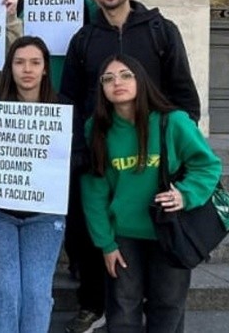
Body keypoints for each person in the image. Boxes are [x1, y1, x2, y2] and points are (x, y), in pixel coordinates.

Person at [60, 0, 201, 333]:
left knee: (167, 301)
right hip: (103, 158)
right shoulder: (85, 38)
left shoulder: (160, 30)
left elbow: (184, 93)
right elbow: (69, 99)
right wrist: (80, 151)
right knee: (109, 264)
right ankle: (93, 305)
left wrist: (179, 155)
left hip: (161, 168)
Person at [82, 54, 221, 332]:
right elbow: (94, 191)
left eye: (125, 75)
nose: (117, 82)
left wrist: (185, 194)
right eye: (108, 79)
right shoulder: (96, 130)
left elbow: (207, 166)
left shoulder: (174, 122)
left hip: (171, 232)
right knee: (122, 311)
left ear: (141, 80)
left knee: (168, 309)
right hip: (124, 236)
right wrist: (106, 244)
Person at [0, 36, 86, 333]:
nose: (27, 70)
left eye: (35, 62)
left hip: (44, 216)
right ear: (10, 67)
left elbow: (80, 158)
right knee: (6, 292)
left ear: (46, 68)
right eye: (19, 62)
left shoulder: (64, 109)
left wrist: (56, 159)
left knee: (37, 293)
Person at [17, 0, 100, 91]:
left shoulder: (82, 3)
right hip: (32, 92)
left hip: (72, 89)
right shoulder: (20, 6)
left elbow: (108, 13)